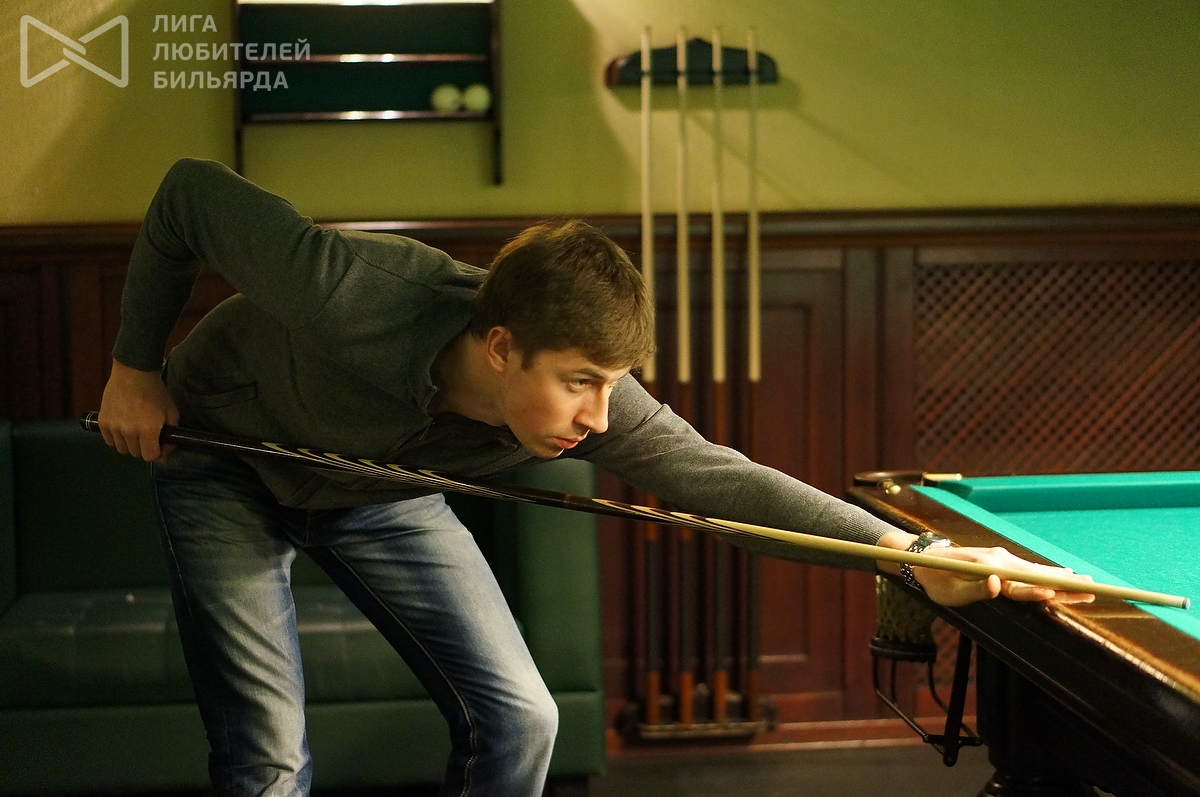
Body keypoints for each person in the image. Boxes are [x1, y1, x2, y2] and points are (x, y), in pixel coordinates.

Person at [98, 158, 1092, 797]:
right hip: (223, 458)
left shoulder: (594, 404)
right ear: (500, 348)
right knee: (268, 754)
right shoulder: (348, 288)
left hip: (380, 488)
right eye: (580, 381)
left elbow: (723, 478)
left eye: (611, 384)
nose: (601, 416)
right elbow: (187, 192)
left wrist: (911, 553)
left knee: (525, 718)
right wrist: (135, 368)